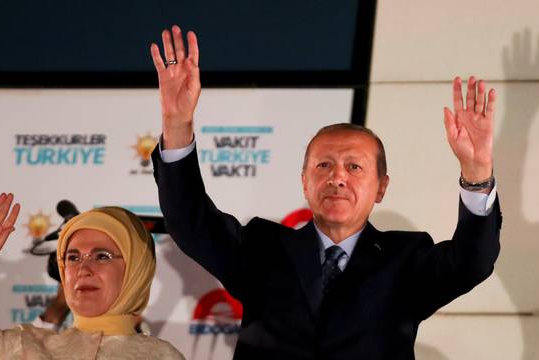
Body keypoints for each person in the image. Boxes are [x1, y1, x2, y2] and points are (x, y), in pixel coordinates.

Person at [150, 25, 501, 359]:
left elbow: (473, 261)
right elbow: (190, 221)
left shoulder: (405, 260)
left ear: (381, 187)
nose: (337, 177)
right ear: (304, 181)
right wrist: (177, 125)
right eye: (323, 165)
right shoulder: (262, 249)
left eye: (354, 167)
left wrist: (476, 171)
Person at [0, 193, 184, 359]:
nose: (84, 269)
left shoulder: (162, 356)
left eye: (102, 256)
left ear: (135, 271)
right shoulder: (26, 347)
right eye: (73, 257)